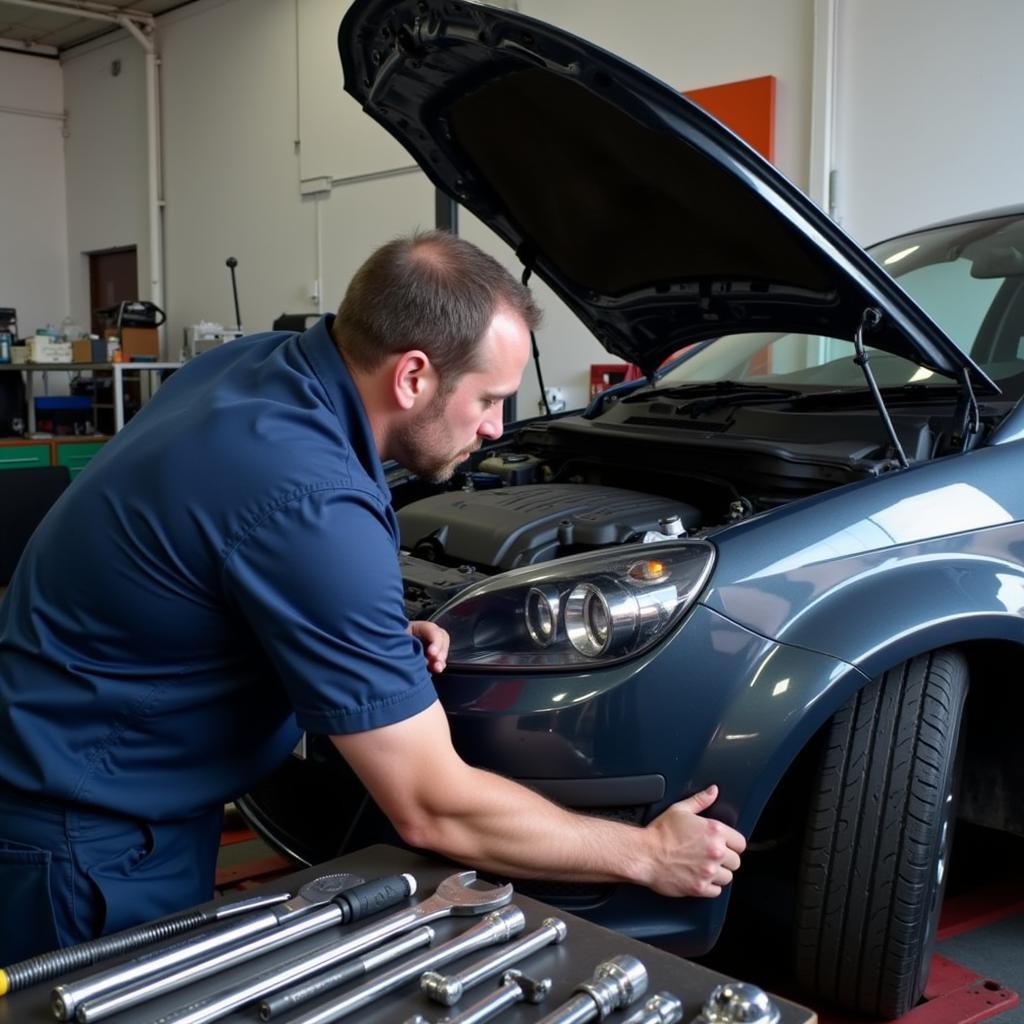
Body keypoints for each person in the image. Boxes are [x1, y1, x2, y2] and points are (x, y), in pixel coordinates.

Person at [0, 231, 745, 962]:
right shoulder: (307, 497)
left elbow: (228, 568)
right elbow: (432, 806)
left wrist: (367, 638)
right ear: (413, 375)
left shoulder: (258, 367)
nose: (495, 429)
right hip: (83, 845)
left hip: (97, 778)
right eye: (488, 398)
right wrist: (648, 853)